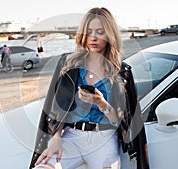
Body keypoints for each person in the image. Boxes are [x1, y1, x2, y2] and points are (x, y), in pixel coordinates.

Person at [29, 7, 149, 169]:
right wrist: (56, 137)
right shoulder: (68, 65)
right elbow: (55, 106)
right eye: (89, 31)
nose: (93, 37)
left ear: (109, 35)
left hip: (104, 139)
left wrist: (101, 104)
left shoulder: (121, 72)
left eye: (100, 32)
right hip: (72, 137)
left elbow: (122, 120)